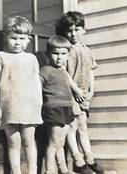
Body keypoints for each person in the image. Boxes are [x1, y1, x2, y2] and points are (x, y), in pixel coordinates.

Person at [0, 15, 42, 174]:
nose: (17, 42)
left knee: (29, 140)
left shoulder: (31, 58)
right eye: (13, 38)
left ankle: (32, 171)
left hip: (29, 106)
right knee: (13, 141)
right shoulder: (0, 57)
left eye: (21, 38)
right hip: (9, 106)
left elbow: (36, 82)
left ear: (28, 40)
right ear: (6, 38)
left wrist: (39, 103)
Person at [55, 11, 105, 174]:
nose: (73, 33)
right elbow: (63, 72)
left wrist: (91, 91)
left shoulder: (87, 50)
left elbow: (91, 71)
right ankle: (78, 159)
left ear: (83, 30)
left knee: (83, 126)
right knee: (72, 126)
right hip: (70, 93)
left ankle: (89, 158)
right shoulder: (65, 50)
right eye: (70, 30)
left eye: (77, 29)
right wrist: (75, 89)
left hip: (84, 94)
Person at [40, 35, 86, 174]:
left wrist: (78, 90)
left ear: (68, 55)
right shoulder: (45, 70)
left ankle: (63, 169)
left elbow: (70, 83)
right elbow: (36, 86)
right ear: (48, 54)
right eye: (55, 53)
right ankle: (49, 170)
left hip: (67, 107)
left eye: (63, 54)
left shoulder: (63, 70)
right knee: (54, 142)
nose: (59, 57)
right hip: (53, 108)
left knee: (61, 142)